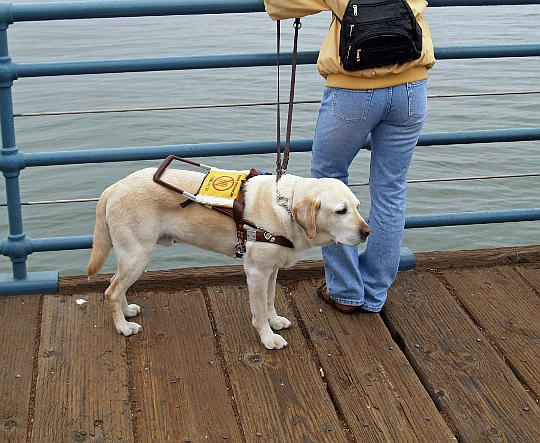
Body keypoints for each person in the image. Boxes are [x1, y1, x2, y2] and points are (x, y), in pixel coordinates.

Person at [264, 0, 436, 313]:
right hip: (412, 86)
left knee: (328, 177)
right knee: (391, 189)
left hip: (354, 90)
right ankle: (373, 292)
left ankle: (345, 291)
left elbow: (278, 5)